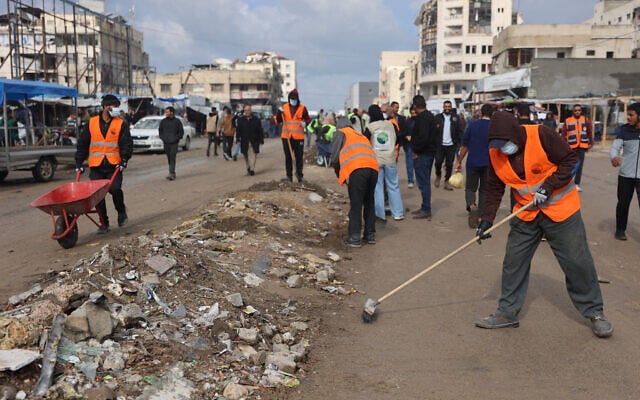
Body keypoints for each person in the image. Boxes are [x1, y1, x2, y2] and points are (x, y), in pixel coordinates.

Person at [474, 110, 613, 339]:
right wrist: (486, 218)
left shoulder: (542, 135)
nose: (503, 148)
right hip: (525, 213)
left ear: (516, 135)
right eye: (498, 144)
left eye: (506, 143)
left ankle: (595, 313)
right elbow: (494, 186)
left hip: (561, 211)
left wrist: (547, 187)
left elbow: (570, 160)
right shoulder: (496, 152)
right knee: (513, 262)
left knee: (577, 262)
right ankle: (507, 313)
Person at [75, 94, 132, 233]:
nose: (117, 109)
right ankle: (104, 222)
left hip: (114, 165)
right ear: (106, 107)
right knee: (97, 196)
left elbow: (126, 143)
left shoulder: (120, 123)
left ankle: (121, 211)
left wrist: (124, 159)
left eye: (118, 107)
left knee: (115, 189)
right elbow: (83, 144)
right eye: (115, 107)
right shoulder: (92, 123)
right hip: (96, 166)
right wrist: (78, 162)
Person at [330, 118, 379, 247]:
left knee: (356, 204)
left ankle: (354, 238)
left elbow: (334, 157)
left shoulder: (340, 133)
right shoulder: (359, 134)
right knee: (369, 202)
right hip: (373, 168)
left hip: (358, 170)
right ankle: (370, 235)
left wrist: (338, 173)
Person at [455, 103, 494, 229]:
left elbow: (465, 145)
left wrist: (459, 161)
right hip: (489, 163)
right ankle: (481, 216)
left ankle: (472, 206)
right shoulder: (494, 127)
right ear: (492, 114)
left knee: (470, 188)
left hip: (473, 162)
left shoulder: (472, 125)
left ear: (481, 113)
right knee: (484, 190)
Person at [365, 104, 404, 221]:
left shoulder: (370, 127)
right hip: (390, 160)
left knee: (378, 187)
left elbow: (365, 142)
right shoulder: (390, 124)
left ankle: (379, 214)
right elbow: (398, 138)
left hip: (376, 160)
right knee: (393, 186)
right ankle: (398, 213)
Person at [609, 102, 640, 241]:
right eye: (628, 114)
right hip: (626, 175)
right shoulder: (624, 131)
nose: (628, 117)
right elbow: (615, 147)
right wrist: (614, 156)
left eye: (631, 115)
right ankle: (620, 229)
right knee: (622, 203)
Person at [410, 95, 439, 220]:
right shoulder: (430, 117)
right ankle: (424, 206)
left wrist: (416, 151)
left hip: (423, 154)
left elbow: (423, 137)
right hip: (428, 152)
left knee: (423, 182)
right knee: (423, 181)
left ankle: (426, 208)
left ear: (415, 106)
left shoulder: (422, 119)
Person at [278, 88, 311, 182]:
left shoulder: (302, 108)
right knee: (288, 157)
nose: (293, 101)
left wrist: (305, 123)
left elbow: (308, 119)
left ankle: (299, 175)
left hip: (298, 137)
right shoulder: (284, 107)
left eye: (295, 99)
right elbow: (278, 120)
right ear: (289, 99)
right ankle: (289, 176)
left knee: (299, 157)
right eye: (291, 99)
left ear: (297, 99)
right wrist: (278, 113)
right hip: (286, 136)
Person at [562, 104, 593, 192]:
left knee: (579, 166)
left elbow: (589, 132)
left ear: (581, 111)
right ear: (573, 111)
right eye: (575, 110)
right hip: (571, 146)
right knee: (570, 165)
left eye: (579, 110)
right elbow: (564, 134)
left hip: (582, 146)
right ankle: (567, 183)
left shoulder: (585, 120)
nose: (577, 112)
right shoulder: (568, 120)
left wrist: (591, 142)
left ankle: (576, 184)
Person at [434, 100, 463, 191]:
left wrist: (460, 144)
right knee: (438, 162)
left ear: (451, 107)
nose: (447, 108)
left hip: (451, 145)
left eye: (448, 107)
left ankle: (447, 182)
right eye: (445, 106)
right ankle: (438, 175)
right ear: (443, 107)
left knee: (449, 164)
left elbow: (459, 131)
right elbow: (433, 131)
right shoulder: (438, 117)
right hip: (440, 145)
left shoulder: (455, 118)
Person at [236, 104, 264, 176]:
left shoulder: (256, 120)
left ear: (251, 111)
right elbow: (238, 130)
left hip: (254, 140)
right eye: (245, 110)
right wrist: (237, 138)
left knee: (254, 154)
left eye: (248, 110)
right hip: (244, 140)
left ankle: (252, 169)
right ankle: (248, 166)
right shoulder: (241, 120)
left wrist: (261, 139)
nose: (247, 112)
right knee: (245, 154)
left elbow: (260, 130)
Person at [158, 106, 184, 180]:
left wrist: (176, 139)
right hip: (166, 143)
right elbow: (160, 131)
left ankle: (171, 173)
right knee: (169, 157)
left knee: (172, 157)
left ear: (171, 112)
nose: (166, 113)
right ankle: (172, 172)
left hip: (174, 143)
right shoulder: (163, 121)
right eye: (165, 112)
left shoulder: (177, 121)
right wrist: (163, 138)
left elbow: (181, 132)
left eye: (167, 112)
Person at [402, 106, 417, 188]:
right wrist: (406, 136)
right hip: (409, 145)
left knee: (418, 164)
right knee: (410, 163)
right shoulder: (407, 121)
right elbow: (403, 132)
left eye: (415, 112)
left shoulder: (420, 121)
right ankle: (410, 180)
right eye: (412, 112)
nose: (413, 113)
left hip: (419, 145)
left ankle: (419, 180)